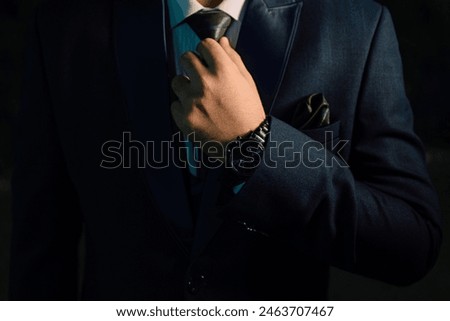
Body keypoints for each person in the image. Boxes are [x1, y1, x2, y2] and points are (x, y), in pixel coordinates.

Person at [10, 0, 442, 300]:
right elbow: (40, 254)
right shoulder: (62, 27)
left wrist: (254, 147)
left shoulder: (358, 26)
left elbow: (411, 241)